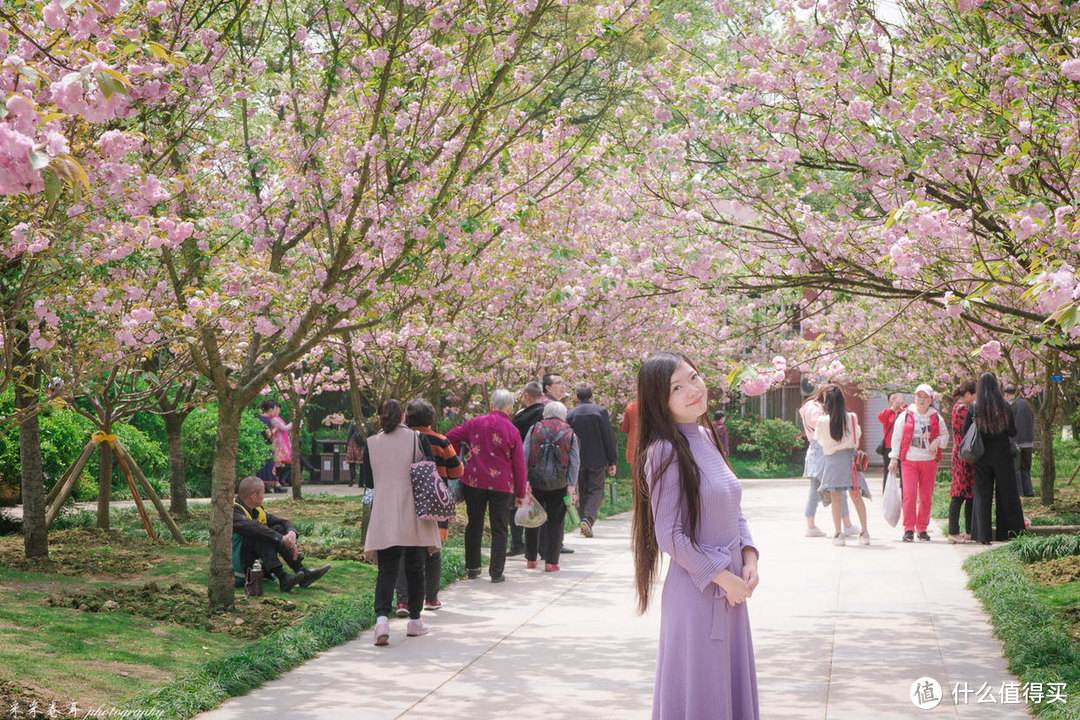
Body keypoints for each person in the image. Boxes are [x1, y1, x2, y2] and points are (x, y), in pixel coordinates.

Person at [630, 351, 759, 719]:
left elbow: (732, 505)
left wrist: (749, 557)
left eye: (694, 377)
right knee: (702, 691)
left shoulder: (706, 435)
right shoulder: (664, 453)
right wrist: (724, 578)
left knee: (726, 687)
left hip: (732, 587)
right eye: (677, 387)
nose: (693, 390)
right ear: (659, 401)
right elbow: (670, 536)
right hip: (699, 594)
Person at [360, 399, 441, 645]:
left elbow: (369, 481)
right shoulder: (418, 439)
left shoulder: (371, 444)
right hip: (413, 511)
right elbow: (430, 471)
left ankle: (382, 620)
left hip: (385, 511)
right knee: (416, 568)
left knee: (387, 569)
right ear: (404, 417)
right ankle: (415, 621)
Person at [446, 389, 527, 583]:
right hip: (502, 485)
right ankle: (496, 572)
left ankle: (473, 567)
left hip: (475, 481)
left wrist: (459, 458)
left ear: (491, 405)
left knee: (474, 523)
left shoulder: (475, 423)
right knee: (500, 527)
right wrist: (520, 492)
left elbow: (450, 437)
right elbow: (519, 464)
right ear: (510, 408)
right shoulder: (512, 430)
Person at [392, 398, 464, 613]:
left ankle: (402, 601)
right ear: (432, 420)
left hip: (406, 500)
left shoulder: (400, 440)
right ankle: (431, 598)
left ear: (407, 418)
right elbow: (456, 472)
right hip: (435, 502)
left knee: (403, 549)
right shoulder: (441, 441)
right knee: (433, 550)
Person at [232, 475, 330, 592]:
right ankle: (282, 577)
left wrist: (291, 534)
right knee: (262, 535)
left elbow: (283, 522)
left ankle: (303, 572)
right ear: (254, 496)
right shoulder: (234, 511)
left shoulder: (256, 510)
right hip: (240, 564)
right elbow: (254, 528)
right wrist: (281, 539)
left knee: (277, 528)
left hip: (255, 560)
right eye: (263, 493)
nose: (263, 497)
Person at [963, 373, 1025, 544]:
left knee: (982, 495)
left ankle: (982, 535)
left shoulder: (974, 407)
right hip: (1002, 455)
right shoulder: (1004, 406)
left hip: (981, 456)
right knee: (1007, 493)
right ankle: (1009, 533)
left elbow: (965, 432)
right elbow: (1013, 431)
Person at [888, 384, 950, 542]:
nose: (922, 400)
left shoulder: (936, 416)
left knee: (926, 496)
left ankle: (922, 528)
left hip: (929, 462)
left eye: (925, 397)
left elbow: (945, 437)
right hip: (909, 461)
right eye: (919, 396)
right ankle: (908, 529)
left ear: (930, 400)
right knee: (909, 495)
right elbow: (896, 438)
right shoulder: (906, 415)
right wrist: (893, 458)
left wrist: (937, 442)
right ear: (914, 398)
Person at [523, 401, 579, 571]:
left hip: (535, 482)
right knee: (556, 522)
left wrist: (525, 481)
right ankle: (551, 562)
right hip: (559, 483)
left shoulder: (534, 429)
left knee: (532, 520)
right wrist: (571, 485)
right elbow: (575, 462)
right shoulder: (570, 433)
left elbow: (525, 454)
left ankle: (531, 559)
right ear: (563, 414)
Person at [815, 386, 871, 546]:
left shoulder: (822, 421)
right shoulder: (852, 418)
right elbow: (857, 436)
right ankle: (864, 532)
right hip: (850, 462)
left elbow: (819, 440)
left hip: (832, 463)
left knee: (836, 499)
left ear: (827, 402)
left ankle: (838, 534)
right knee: (856, 497)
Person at [799, 385, 854, 538]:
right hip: (822, 450)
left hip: (814, 451)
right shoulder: (815, 408)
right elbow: (820, 425)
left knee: (815, 490)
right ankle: (847, 524)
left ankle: (811, 526)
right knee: (837, 488)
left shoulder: (809, 405)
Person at [566, 384, 617, 538]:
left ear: (576, 397)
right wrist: (612, 460)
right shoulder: (600, 412)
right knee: (596, 490)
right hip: (597, 459)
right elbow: (608, 436)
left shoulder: (571, 414)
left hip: (577, 460)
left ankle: (584, 521)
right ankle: (588, 519)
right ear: (592, 396)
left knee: (581, 491)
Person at [508, 381, 545, 556]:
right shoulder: (547, 414)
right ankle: (539, 544)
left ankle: (517, 542)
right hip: (542, 466)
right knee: (539, 503)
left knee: (517, 502)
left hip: (519, 464)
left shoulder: (520, 416)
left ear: (527, 396)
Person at [948, 380, 977, 544]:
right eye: (975, 395)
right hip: (963, 456)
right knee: (959, 494)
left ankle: (969, 531)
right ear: (967, 395)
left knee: (970, 494)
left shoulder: (962, 408)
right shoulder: (962, 409)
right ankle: (953, 532)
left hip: (965, 455)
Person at [1003, 384, 1035, 497]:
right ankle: (1029, 491)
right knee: (1026, 468)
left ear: (1006, 394)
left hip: (1016, 442)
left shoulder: (1011, 405)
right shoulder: (1028, 404)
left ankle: (1019, 492)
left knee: (1016, 469)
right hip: (1029, 441)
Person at [256, 400, 289, 493]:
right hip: (265, 446)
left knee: (266, 466)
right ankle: (276, 485)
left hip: (260, 446)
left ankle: (271, 485)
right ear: (270, 410)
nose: (277, 411)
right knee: (269, 466)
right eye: (275, 409)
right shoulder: (266, 421)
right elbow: (268, 435)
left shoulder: (259, 418)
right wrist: (275, 429)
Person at [877, 392, 905, 492]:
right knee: (888, 473)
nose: (896, 400)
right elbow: (881, 418)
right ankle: (887, 495)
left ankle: (904, 495)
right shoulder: (888, 413)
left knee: (905, 474)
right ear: (889, 402)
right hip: (889, 448)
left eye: (898, 398)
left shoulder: (907, 411)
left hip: (904, 448)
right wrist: (893, 409)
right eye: (893, 399)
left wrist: (902, 408)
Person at [621, 399, 639, 465]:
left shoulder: (630, 407)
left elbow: (624, 429)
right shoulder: (652, 406)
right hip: (650, 445)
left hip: (633, 446)